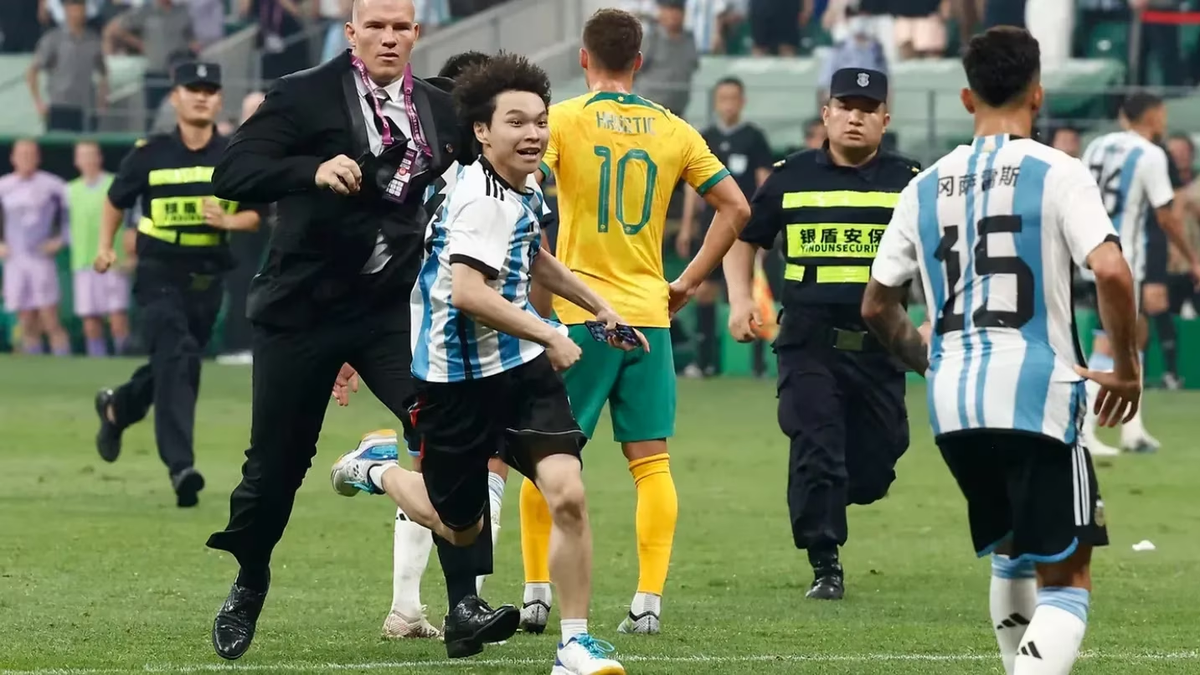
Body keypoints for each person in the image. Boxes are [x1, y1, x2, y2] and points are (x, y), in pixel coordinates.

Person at [203, 0, 508, 661]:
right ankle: (250, 580)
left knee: (450, 434)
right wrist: (308, 171)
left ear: (417, 34)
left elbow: (482, 174)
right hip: (300, 312)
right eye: (375, 26)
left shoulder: (440, 109)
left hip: (387, 313)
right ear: (351, 33)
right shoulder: (302, 93)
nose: (388, 37)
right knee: (275, 469)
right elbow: (231, 173)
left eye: (400, 27)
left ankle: (464, 604)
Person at [329, 52, 635, 674]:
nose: (533, 134)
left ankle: (574, 644)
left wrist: (599, 307)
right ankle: (375, 469)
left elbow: (533, 254)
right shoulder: (478, 199)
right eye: (516, 123)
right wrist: (551, 335)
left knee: (568, 495)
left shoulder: (524, 184)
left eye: (541, 121)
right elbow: (469, 292)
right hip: (455, 382)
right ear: (482, 131)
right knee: (458, 526)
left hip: (518, 370)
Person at [862, 26, 1140, 675]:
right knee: (1067, 578)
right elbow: (1112, 270)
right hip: (1037, 393)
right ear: (1037, 94)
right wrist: (1127, 370)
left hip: (954, 402)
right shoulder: (1058, 171)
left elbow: (876, 305)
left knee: (1012, 552)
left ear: (967, 98)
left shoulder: (924, 185)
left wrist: (932, 362)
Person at [518, 7, 751, 635]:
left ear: (584, 59)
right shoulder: (674, 129)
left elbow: (524, 183)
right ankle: (647, 601)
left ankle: (536, 592)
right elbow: (735, 208)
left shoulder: (563, 120)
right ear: (639, 62)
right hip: (649, 317)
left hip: (581, 315)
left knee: (546, 452)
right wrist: (688, 281)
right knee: (651, 462)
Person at [723, 67, 918, 601]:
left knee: (875, 469)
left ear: (885, 120)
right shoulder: (790, 177)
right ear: (826, 114)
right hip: (808, 342)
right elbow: (744, 238)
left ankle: (826, 492)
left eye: (867, 109)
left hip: (881, 347)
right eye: (845, 107)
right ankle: (825, 561)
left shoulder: (911, 182)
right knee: (817, 445)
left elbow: (942, 252)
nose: (855, 117)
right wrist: (741, 299)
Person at [330, 49, 505, 642]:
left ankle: (414, 608)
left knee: (449, 469)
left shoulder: (484, 170)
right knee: (473, 469)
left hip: (469, 342)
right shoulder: (420, 168)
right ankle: (460, 603)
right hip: (433, 345)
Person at [92, 62, 261, 506]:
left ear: (219, 100)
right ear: (175, 97)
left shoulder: (235, 154)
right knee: (178, 357)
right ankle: (181, 467)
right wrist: (105, 246)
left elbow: (256, 214)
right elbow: (115, 200)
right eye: (192, 89)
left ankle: (117, 407)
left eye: (210, 90)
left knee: (176, 364)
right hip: (158, 275)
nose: (201, 96)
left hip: (207, 282)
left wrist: (228, 220)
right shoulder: (150, 153)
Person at [1079, 92, 1200, 455]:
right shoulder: (1150, 154)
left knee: (1136, 334)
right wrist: (1192, 258)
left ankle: (1133, 430)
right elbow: (1166, 216)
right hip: (1121, 259)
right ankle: (1083, 429)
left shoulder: (1097, 146)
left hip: (1089, 250)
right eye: (1162, 114)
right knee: (1109, 341)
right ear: (1154, 116)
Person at [677, 75, 773, 378]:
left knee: (752, 292)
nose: (728, 104)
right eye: (723, 98)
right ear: (716, 102)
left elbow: (764, 182)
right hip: (711, 229)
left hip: (747, 231)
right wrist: (687, 226)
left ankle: (757, 364)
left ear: (742, 101)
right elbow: (692, 188)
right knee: (704, 291)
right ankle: (706, 361)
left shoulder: (754, 138)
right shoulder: (704, 138)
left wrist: (767, 226)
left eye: (733, 98)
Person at [0, 139, 70, 356]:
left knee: (50, 317)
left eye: (30, 154)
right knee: (25, 318)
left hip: (41, 259)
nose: (26, 159)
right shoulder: (3, 186)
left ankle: (64, 361)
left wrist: (60, 241)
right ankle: (34, 360)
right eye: (22, 154)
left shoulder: (54, 186)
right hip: (15, 260)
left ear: (38, 157)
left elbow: (70, 219)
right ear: (13, 158)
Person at [67, 140, 130, 357]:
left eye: (91, 155)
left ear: (99, 158)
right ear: (77, 161)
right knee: (90, 321)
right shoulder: (69, 190)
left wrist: (130, 256)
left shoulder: (115, 184)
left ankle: (123, 358)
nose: (87, 160)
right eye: (82, 156)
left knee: (117, 317)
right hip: (83, 263)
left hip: (113, 262)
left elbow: (130, 222)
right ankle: (96, 360)